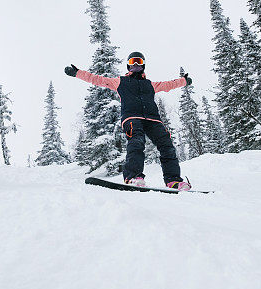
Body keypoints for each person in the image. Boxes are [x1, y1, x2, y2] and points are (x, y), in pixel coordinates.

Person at [65, 51, 192, 191]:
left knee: (167, 145)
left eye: (138, 61)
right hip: (132, 118)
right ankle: (133, 176)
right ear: (128, 65)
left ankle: (173, 181)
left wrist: (184, 81)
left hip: (153, 119)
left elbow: (168, 85)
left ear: (143, 65)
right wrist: (78, 73)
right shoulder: (120, 82)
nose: (136, 65)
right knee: (136, 141)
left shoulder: (150, 84)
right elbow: (98, 79)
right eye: (132, 62)